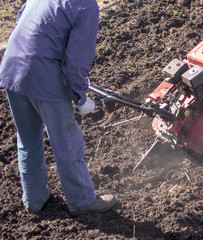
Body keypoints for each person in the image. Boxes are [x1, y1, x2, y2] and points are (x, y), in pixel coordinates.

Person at [0, 0, 116, 215]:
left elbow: (21, 21)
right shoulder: (86, 6)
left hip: (12, 67)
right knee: (67, 142)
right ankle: (82, 201)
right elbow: (77, 59)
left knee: (27, 138)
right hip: (42, 74)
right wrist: (80, 96)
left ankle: (34, 200)